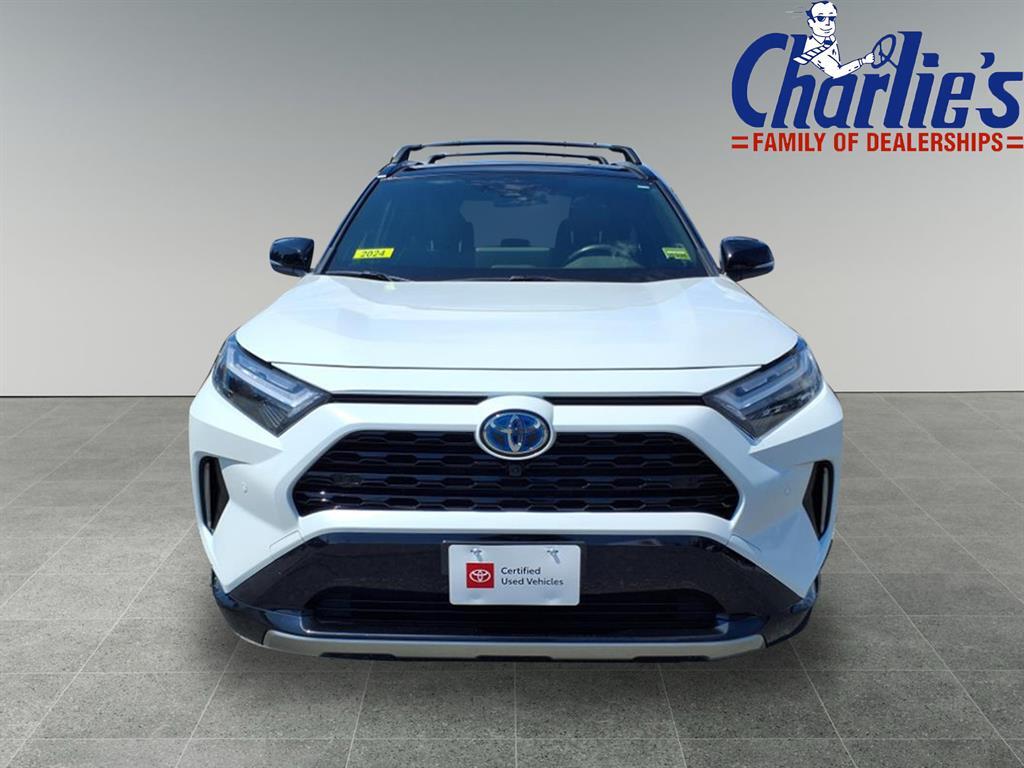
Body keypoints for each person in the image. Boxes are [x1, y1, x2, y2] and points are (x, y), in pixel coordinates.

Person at [793, 1, 875, 78]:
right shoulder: (812, 49)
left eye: (831, 18)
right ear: (811, 22)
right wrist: (863, 61)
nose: (827, 23)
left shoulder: (831, 38)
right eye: (821, 18)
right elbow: (836, 72)